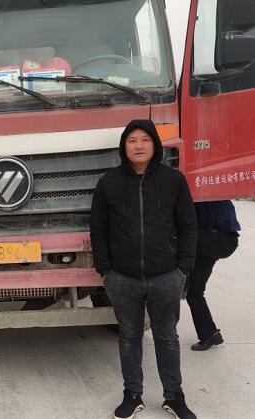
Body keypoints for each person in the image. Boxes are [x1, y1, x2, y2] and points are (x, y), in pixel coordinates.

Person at [90, 120, 198, 419]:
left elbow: (188, 226)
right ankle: (132, 396)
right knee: (129, 337)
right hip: (122, 278)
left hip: (166, 276)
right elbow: (98, 229)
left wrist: (183, 269)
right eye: (132, 140)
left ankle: (174, 398)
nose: (138, 146)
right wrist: (106, 271)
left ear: (155, 145)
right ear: (124, 146)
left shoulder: (173, 180)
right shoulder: (108, 183)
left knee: (167, 338)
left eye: (145, 140)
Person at [186, 200, 240, 351]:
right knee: (194, 291)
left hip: (217, 239)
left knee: (181, 233)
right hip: (215, 240)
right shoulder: (212, 196)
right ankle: (210, 334)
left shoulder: (209, 197)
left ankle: (209, 334)